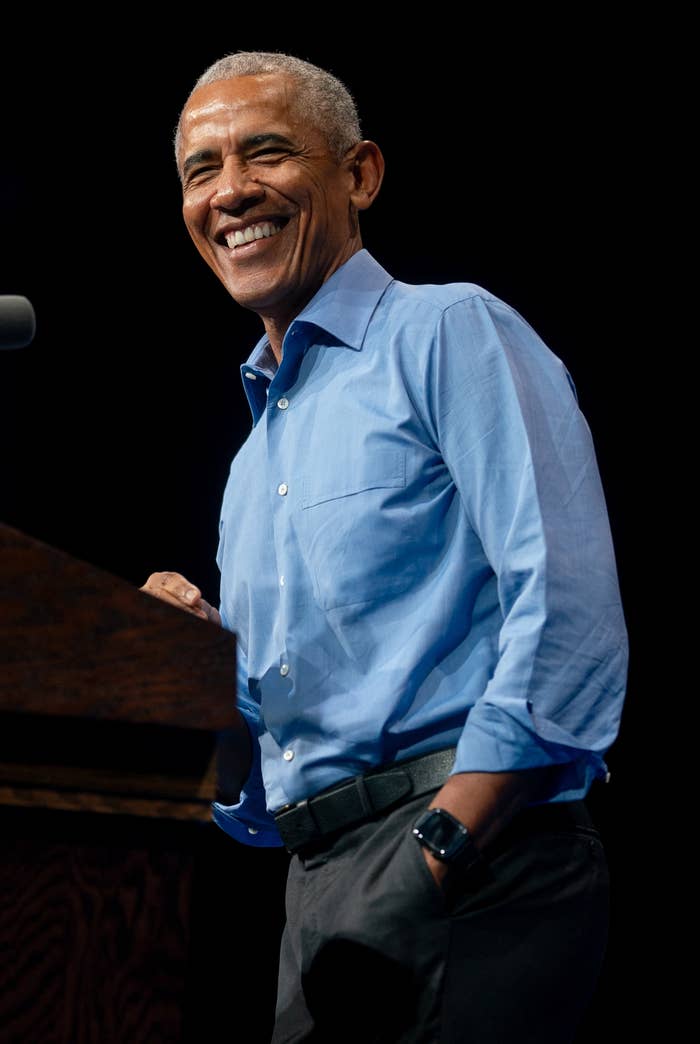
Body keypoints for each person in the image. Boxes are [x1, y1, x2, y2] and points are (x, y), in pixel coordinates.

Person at [140, 50, 628, 1043]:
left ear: (359, 174)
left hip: (472, 856)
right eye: (201, 170)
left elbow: (568, 608)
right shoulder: (249, 464)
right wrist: (191, 670)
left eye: (266, 153)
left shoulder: (447, 330)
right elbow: (266, 763)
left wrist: (439, 850)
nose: (230, 191)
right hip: (315, 885)